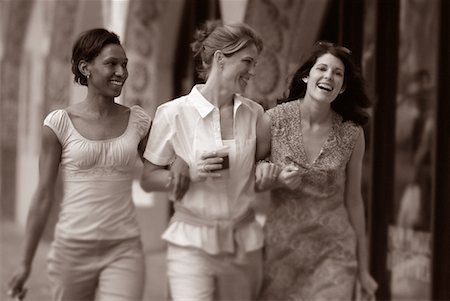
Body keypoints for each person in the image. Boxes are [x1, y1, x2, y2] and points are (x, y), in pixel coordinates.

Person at [7, 28, 186, 301]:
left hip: (124, 248)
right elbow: (43, 195)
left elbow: (160, 167)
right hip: (71, 249)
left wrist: (182, 161)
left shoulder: (138, 121)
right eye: (111, 63)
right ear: (85, 68)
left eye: (124, 64)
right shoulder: (59, 124)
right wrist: (25, 263)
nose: (122, 72)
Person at [140, 20, 271, 301]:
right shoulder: (173, 113)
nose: (252, 71)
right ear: (220, 59)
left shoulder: (256, 114)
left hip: (243, 243)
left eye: (255, 63)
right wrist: (188, 172)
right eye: (247, 61)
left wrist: (268, 173)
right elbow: (148, 178)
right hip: (191, 244)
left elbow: (261, 166)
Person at [256, 41, 378, 300]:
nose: (328, 76)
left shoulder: (353, 134)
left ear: (342, 87)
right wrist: (274, 179)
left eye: (337, 73)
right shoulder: (273, 120)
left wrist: (364, 269)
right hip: (283, 250)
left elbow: (355, 203)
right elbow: (249, 180)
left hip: (334, 250)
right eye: (322, 68)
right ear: (306, 75)